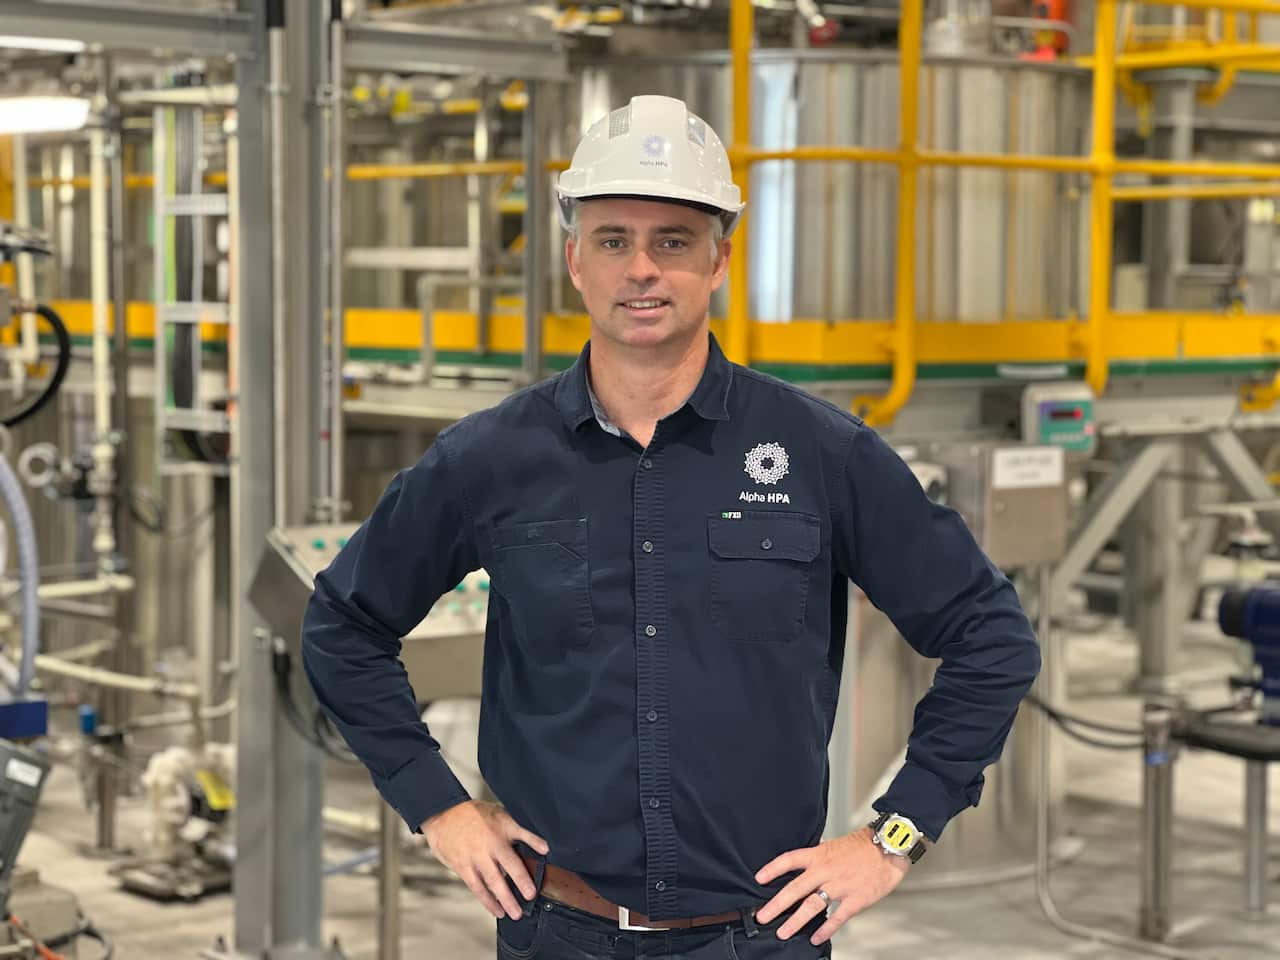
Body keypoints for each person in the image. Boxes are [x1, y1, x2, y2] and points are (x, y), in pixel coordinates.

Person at [302, 94, 1041, 959]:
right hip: (558, 932)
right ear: (575, 261)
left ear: (719, 259)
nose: (641, 269)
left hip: (761, 937)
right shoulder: (490, 458)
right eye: (614, 240)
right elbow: (342, 625)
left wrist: (893, 837)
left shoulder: (819, 452)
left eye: (673, 242)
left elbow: (992, 637)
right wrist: (438, 805)